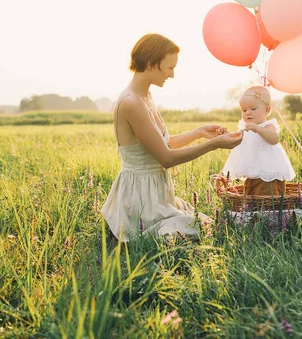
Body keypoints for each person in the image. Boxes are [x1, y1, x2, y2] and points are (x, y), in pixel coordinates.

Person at [101, 33, 243, 241]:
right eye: (170, 67)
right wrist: (215, 144)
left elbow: (161, 143)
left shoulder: (145, 95)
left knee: (206, 224)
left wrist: (199, 133)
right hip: (139, 201)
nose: (172, 75)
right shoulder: (132, 102)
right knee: (200, 229)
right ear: (151, 64)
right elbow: (166, 158)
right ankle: (132, 231)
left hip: (154, 194)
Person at [221, 84, 296, 196]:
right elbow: (236, 139)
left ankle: (268, 211)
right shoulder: (245, 127)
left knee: (267, 193)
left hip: (268, 171)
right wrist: (226, 134)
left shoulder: (267, 126)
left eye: (253, 109)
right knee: (251, 193)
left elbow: (274, 139)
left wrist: (258, 129)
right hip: (252, 170)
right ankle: (252, 210)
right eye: (244, 110)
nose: (248, 113)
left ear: (267, 110)